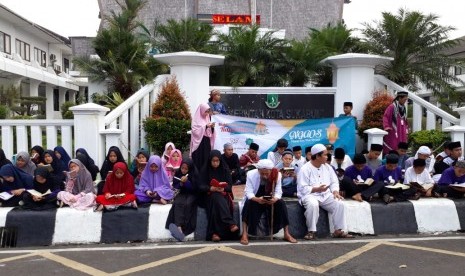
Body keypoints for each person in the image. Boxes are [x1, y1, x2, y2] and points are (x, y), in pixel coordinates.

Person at [297, 144, 353, 240]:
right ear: (317, 156)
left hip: (325, 195)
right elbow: (302, 188)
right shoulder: (305, 169)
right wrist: (317, 189)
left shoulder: (328, 167)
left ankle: (338, 230)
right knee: (313, 204)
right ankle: (311, 231)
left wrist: (335, 192)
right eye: (325, 155)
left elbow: (334, 181)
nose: (327, 157)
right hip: (310, 195)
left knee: (339, 203)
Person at [240, 159, 297, 245]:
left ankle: (286, 233)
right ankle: (244, 234)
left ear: (271, 171)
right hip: (256, 198)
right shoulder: (251, 174)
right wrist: (258, 199)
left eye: (267, 174)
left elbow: (278, 192)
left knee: (281, 203)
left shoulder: (277, 174)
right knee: (247, 204)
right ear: (258, 170)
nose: (265, 176)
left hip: (270, 199)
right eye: (262, 173)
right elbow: (249, 192)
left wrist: (275, 199)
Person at [199, 150, 238, 242]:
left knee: (216, 203)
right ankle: (230, 223)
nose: (216, 163)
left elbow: (229, 186)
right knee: (215, 198)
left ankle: (214, 234)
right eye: (214, 161)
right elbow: (200, 186)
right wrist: (210, 188)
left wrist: (223, 189)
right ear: (210, 160)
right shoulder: (205, 170)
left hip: (222, 195)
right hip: (208, 195)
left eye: (217, 161)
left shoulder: (225, 169)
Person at [165, 158, 199, 241]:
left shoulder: (194, 174)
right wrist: (180, 183)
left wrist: (187, 182)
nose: (183, 170)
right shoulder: (178, 173)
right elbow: (175, 185)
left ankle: (185, 227)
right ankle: (178, 227)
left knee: (188, 204)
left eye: (186, 169)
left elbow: (195, 187)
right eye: (182, 168)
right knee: (177, 203)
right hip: (182, 193)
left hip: (192, 194)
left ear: (190, 168)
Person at [190, 103, 215, 171]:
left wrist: (212, 128)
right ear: (201, 110)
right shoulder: (196, 119)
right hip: (199, 144)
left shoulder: (207, 118)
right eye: (205, 111)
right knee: (198, 160)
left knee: (206, 159)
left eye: (208, 111)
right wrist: (206, 126)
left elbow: (210, 133)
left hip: (206, 142)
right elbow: (195, 131)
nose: (207, 113)